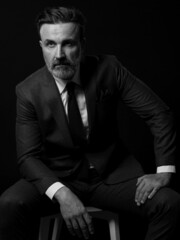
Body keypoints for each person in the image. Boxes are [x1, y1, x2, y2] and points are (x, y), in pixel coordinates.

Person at [0, 5, 180, 240]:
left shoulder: (109, 69)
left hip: (111, 178)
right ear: (41, 46)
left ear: (82, 44)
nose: (59, 55)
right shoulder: (28, 91)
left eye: (68, 43)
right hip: (58, 176)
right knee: (10, 203)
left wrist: (164, 171)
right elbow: (27, 158)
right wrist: (62, 193)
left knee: (169, 202)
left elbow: (159, 113)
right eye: (51, 44)